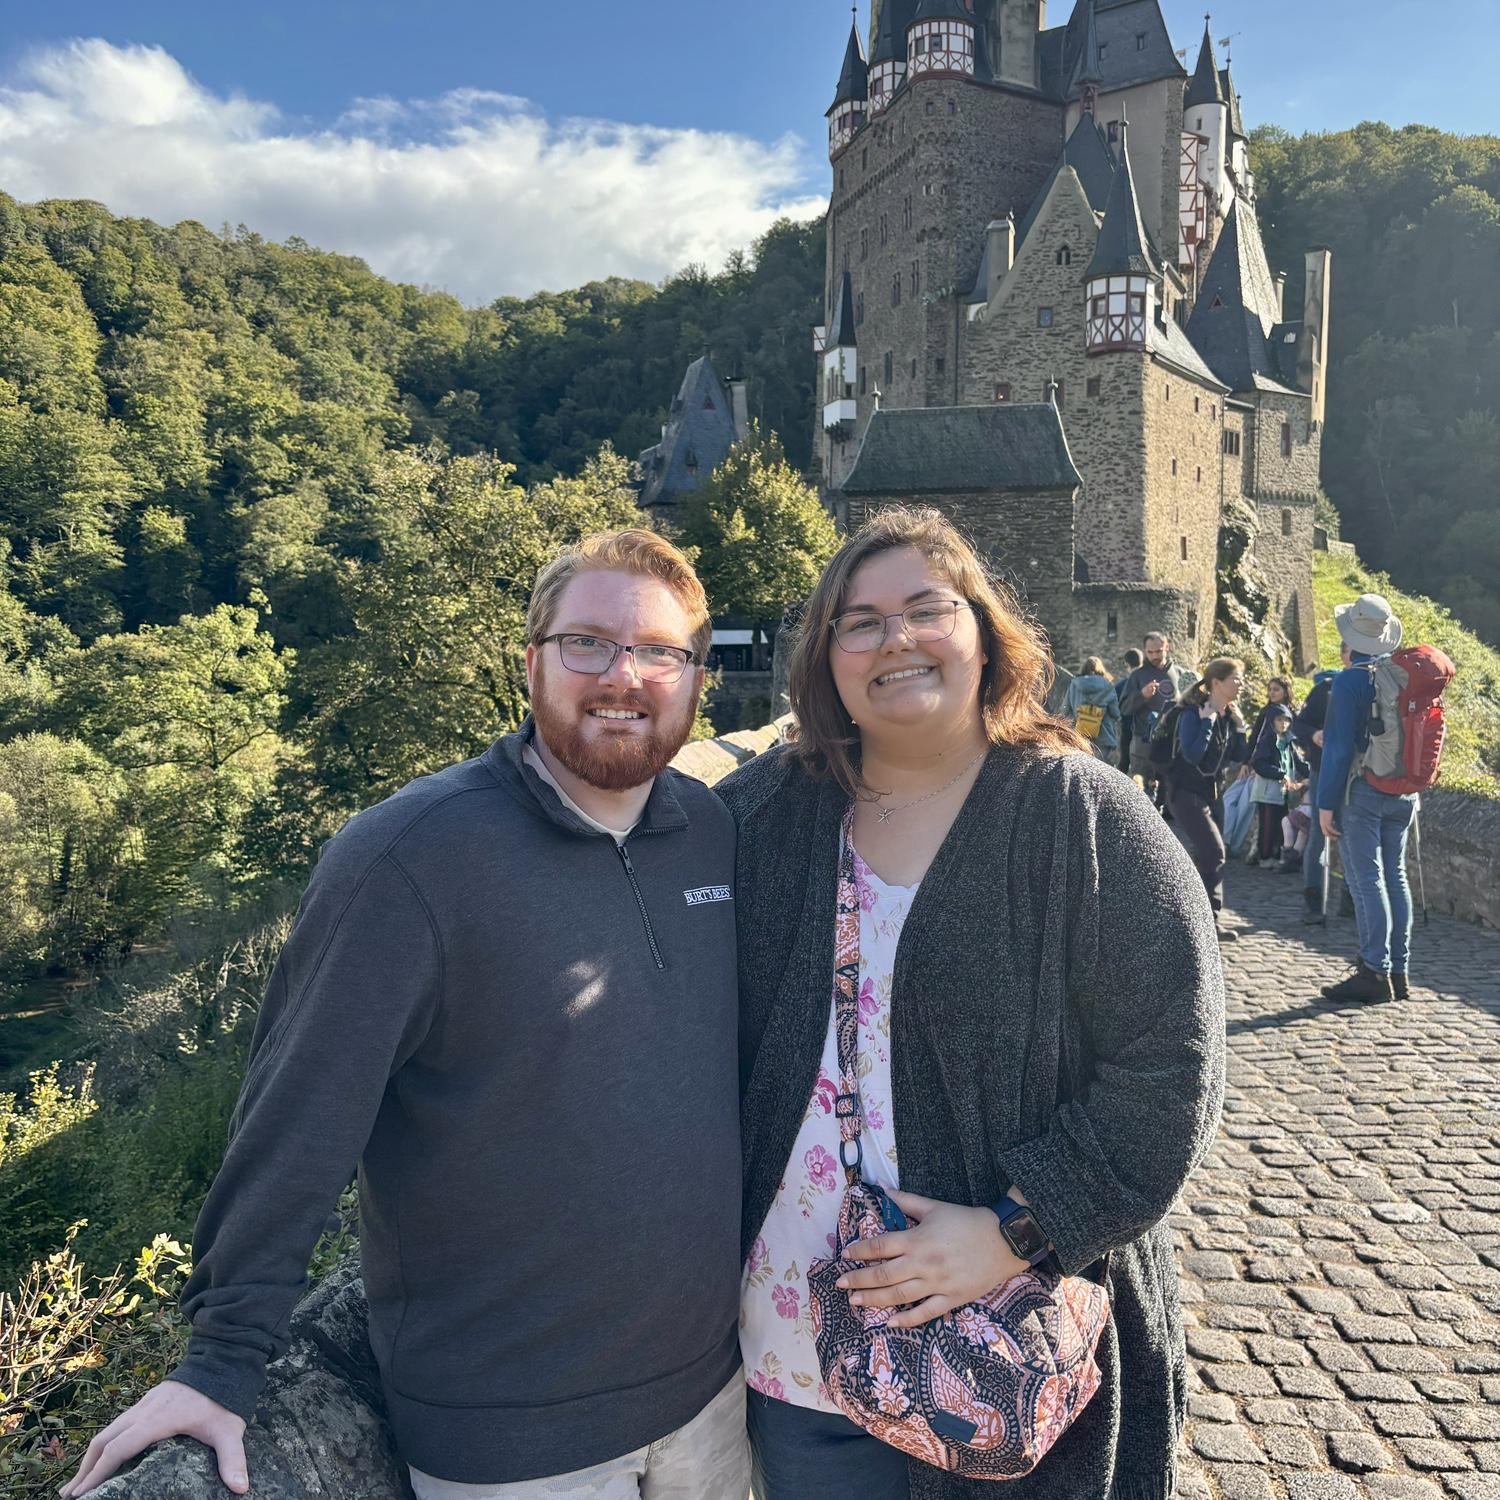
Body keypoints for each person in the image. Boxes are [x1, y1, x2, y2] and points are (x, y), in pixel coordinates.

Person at [62, 530, 750, 1500]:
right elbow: (298, 1117)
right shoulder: (411, 857)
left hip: (714, 1400)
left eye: (659, 652)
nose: (622, 676)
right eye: (587, 643)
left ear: (695, 679)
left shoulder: (712, 833)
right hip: (514, 1441)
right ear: (532, 662)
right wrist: (220, 1359)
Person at [717, 507, 1226, 1500]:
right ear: (824, 660)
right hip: (799, 1352)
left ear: (984, 635)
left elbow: (1174, 1067)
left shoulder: (1082, 817)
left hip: (1014, 1354)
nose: (895, 638)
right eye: (860, 623)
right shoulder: (764, 816)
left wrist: (1016, 1228)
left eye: (926, 609)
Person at [1317, 594, 1415, 1005]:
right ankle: (1398, 971)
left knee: (1367, 880)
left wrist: (1325, 802)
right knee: (1396, 876)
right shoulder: (1404, 674)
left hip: (1366, 789)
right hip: (1404, 791)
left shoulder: (1351, 681)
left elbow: (1339, 748)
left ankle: (1374, 972)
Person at [1163, 660, 1249, 942]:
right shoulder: (1193, 714)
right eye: (1236, 679)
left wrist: (1240, 727)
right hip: (1185, 793)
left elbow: (1239, 756)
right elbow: (1193, 754)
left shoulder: (1228, 715)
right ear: (1216, 683)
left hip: (1212, 794)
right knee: (1214, 852)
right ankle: (1208, 922)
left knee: (1205, 856)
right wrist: (1207, 722)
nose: (1241, 684)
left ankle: (1189, 917)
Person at [1118, 632, 1196, 804]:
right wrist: (1142, 695)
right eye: (1150, 652)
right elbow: (1124, 708)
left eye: (1158, 651)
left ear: (1167, 647)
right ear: (1145, 651)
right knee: (1139, 796)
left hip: (1173, 743)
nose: (1154, 656)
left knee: (1169, 796)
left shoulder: (1180, 674)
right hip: (1143, 744)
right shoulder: (1137, 676)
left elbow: (1194, 707)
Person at [1292, 661, 1340, 924]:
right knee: (1319, 835)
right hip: (1323, 770)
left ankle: (1351, 899)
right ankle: (1313, 900)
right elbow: (1299, 725)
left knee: (1355, 838)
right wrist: (1313, 734)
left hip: (1360, 776)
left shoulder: (1380, 686)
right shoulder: (1326, 690)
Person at [1247, 701, 1297, 866]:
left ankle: (1276, 855)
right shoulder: (1267, 740)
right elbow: (1259, 763)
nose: (1283, 723)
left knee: (1279, 826)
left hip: (1282, 793)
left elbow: (1299, 762)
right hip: (1267, 792)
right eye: (1279, 720)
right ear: (1272, 721)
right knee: (1267, 826)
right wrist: (1280, 774)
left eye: (1286, 720)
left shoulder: (1288, 741)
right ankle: (1265, 857)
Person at [1062, 655, 1122, 761]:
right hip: (1103, 737)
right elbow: (1115, 713)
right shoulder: (1108, 686)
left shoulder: (1074, 684)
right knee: (1101, 768)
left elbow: (1064, 710)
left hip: (1080, 734)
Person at [1114, 647, 1143, 773]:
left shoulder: (1121, 685)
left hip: (1127, 726)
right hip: (1146, 728)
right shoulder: (1150, 682)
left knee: (1124, 761)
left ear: (1127, 664)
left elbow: (1116, 707)